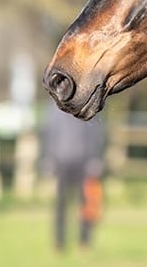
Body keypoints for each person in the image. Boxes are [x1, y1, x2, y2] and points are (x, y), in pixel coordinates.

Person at [42, 103, 106, 251]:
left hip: (83, 162)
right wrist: (48, 159)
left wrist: (94, 159)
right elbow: (49, 135)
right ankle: (59, 241)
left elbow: (95, 134)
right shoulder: (53, 109)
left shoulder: (86, 103)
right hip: (62, 161)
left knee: (86, 203)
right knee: (60, 204)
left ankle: (84, 241)